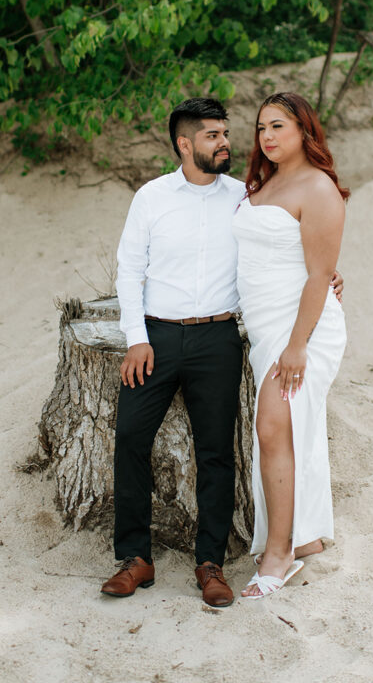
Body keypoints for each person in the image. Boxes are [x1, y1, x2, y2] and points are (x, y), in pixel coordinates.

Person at [101, 97, 343, 608]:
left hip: (220, 338)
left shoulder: (243, 195)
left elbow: (302, 250)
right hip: (158, 336)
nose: (228, 143)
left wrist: (326, 279)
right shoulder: (153, 197)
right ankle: (135, 558)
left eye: (228, 134)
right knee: (129, 437)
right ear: (184, 144)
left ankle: (210, 562)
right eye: (213, 136)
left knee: (218, 448)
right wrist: (135, 336)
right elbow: (128, 270)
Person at [232, 92, 349, 599]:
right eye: (261, 128)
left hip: (304, 329)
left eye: (278, 126)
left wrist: (298, 345)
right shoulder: (262, 184)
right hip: (265, 326)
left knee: (272, 424)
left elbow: (320, 274)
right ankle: (304, 540)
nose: (268, 137)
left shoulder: (318, 187)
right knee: (292, 427)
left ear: (304, 130)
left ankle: (278, 553)